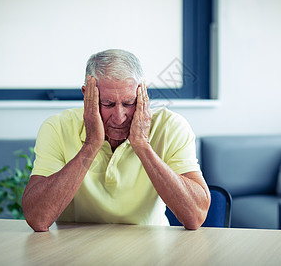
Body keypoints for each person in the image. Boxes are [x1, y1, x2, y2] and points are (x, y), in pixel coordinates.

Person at [22, 49, 211, 232]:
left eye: (129, 103)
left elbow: (195, 217)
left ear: (142, 93)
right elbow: (38, 219)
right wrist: (91, 144)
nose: (119, 117)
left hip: (151, 251)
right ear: (87, 95)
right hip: (76, 250)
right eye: (108, 104)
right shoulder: (57, 127)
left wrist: (142, 145)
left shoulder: (171, 126)